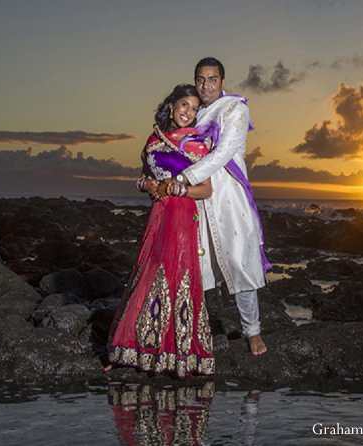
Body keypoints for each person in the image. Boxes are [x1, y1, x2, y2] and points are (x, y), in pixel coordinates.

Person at [161, 57, 271, 356]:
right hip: (195, 197)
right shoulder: (194, 111)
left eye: (212, 79)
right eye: (200, 79)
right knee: (195, 265)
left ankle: (253, 332)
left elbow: (223, 152)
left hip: (228, 197)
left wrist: (183, 177)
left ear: (222, 81)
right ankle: (188, 331)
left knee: (239, 261)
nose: (206, 85)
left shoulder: (235, 108)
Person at [105, 84, 215, 378]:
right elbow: (142, 178)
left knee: (176, 275)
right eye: (184, 106)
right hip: (158, 214)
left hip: (182, 215)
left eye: (194, 109)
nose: (188, 113)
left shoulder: (198, 143)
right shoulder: (155, 139)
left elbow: (206, 189)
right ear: (171, 106)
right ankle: (138, 349)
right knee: (148, 273)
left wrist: (177, 187)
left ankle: (179, 356)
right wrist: (148, 185)